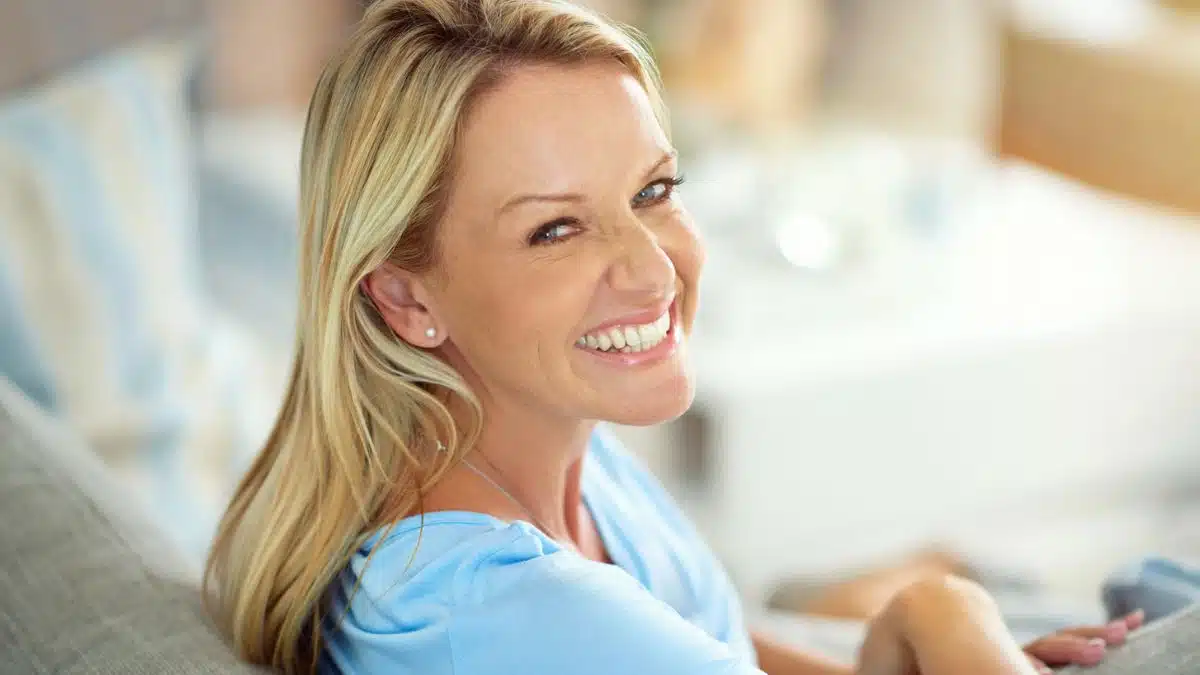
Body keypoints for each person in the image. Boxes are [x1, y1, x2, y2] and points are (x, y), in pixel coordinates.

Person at [203, 1, 1143, 673]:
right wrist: (951, 616)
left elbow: (709, 640)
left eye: (652, 191)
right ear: (406, 300)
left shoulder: (544, 451)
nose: (655, 270)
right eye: (555, 229)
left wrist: (893, 641)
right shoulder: (512, 612)